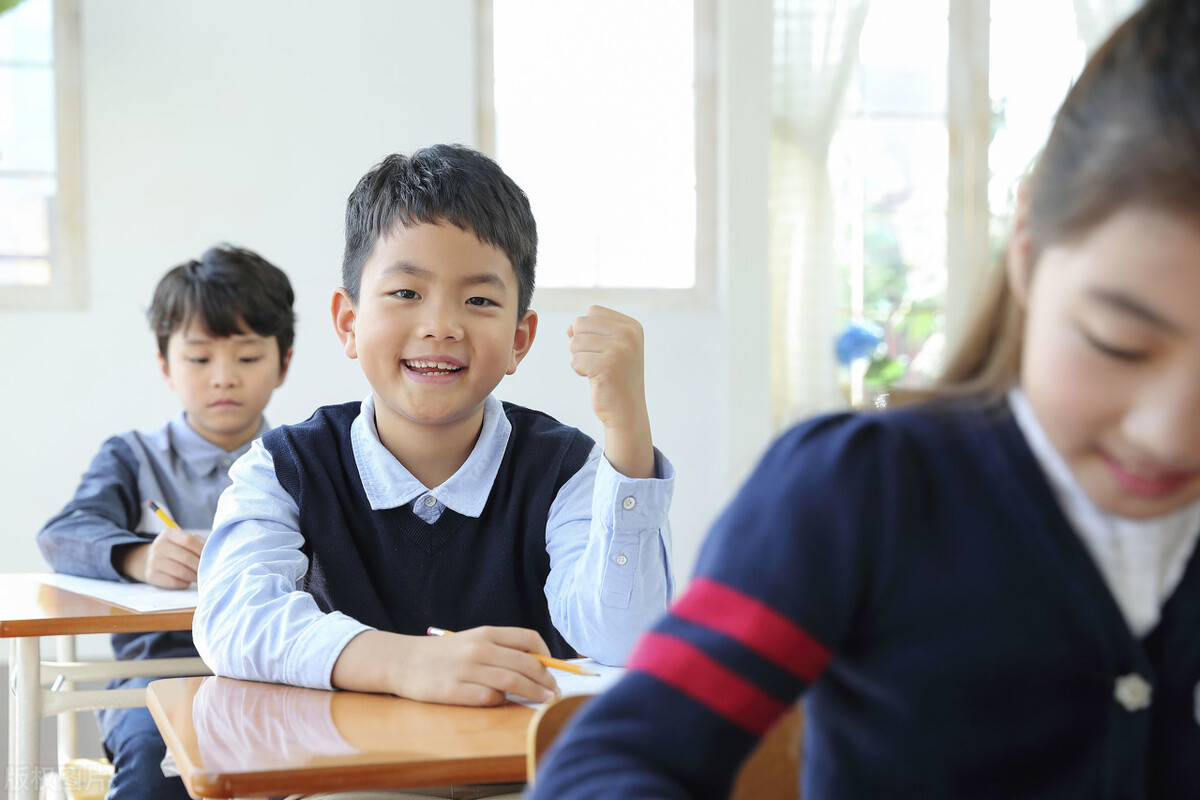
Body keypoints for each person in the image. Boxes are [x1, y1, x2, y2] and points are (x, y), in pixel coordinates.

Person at [528, 1, 1200, 798]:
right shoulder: (863, 495)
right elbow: (613, 763)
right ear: (1025, 244)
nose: (1171, 433)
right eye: (1118, 343)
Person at [192, 145, 674, 795]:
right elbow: (231, 619)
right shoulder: (285, 467)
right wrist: (407, 662)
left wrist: (628, 435)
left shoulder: (565, 467)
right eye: (405, 292)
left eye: (478, 300)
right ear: (348, 323)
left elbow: (624, 641)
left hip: (524, 780)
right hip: (354, 778)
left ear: (519, 340)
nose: (441, 325)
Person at [38, 245, 295, 800]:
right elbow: (65, 530)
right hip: (158, 675)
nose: (223, 378)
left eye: (247, 358)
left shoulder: (305, 458)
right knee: (154, 763)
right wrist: (138, 556)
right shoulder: (132, 456)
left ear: (284, 361)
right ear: (165, 365)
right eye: (200, 359)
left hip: (276, 671)